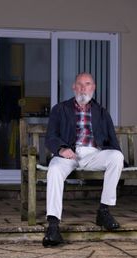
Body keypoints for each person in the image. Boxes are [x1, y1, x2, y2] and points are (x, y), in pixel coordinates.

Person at [42, 72, 124, 247]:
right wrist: (61, 149)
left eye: (87, 84)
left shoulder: (102, 113)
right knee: (54, 169)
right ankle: (53, 225)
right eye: (79, 84)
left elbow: (113, 141)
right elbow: (50, 137)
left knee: (116, 156)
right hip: (68, 154)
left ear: (93, 88)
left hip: (94, 154)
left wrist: (119, 159)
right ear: (73, 87)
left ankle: (103, 211)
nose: (83, 88)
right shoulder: (60, 109)